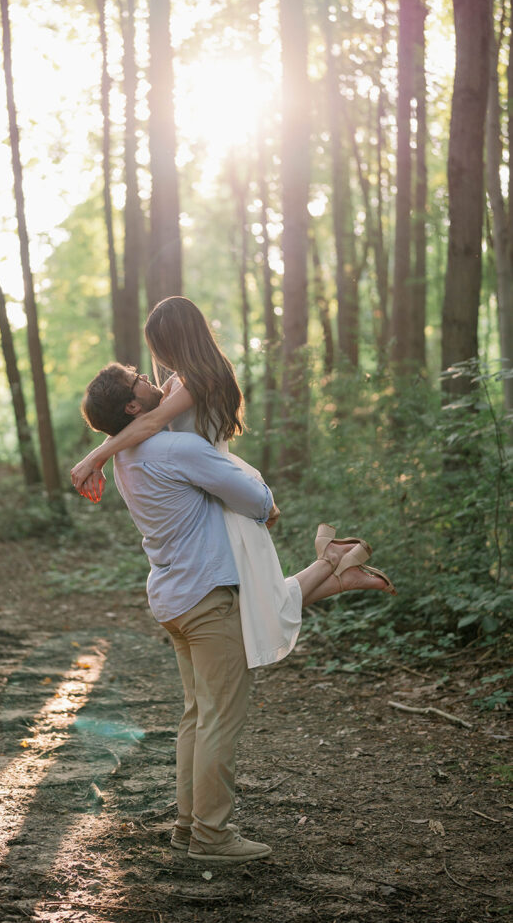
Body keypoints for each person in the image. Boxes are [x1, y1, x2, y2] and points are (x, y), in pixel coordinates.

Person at [79, 362, 392, 864]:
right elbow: (256, 499)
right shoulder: (175, 447)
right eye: (137, 377)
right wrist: (264, 502)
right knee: (220, 719)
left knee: (198, 716)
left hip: (175, 598)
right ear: (133, 406)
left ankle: (189, 826)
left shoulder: (127, 458)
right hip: (207, 599)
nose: (147, 376)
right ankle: (211, 836)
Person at [72, 297, 395, 669]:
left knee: (259, 601)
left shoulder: (197, 381)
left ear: (174, 340)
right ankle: (338, 568)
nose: (154, 360)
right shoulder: (180, 381)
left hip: (219, 486)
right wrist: (101, 452)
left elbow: (146, 424)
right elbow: (139, 425)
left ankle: (335, 565)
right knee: (258, 599)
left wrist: (93, 457)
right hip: (206, 486)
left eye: (158, 346)